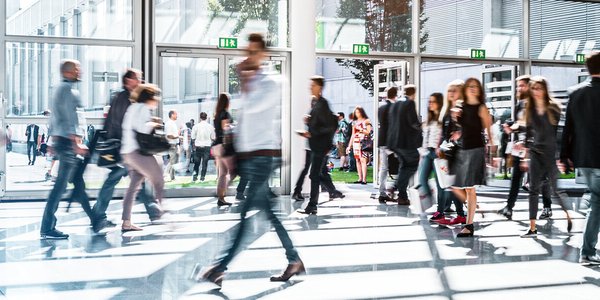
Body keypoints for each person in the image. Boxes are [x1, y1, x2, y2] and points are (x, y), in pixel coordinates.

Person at [194, 33, 303, 286]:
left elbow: (255, 107)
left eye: (254, 52)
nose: (249, 57)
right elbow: (245, 120)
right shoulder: (252, 82)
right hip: (251, 157)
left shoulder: (273, 81)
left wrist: (245, 79)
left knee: (244, 214)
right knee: (269, 214)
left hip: (264, 157)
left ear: (263, 54)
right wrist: (234, 155)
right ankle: (294, 259)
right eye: (248, 51)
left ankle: (220, 267)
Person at [92, 69, 164, 233]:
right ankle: (100, 215)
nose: (140, 81)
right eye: (138, 78)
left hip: (123, 148)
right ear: (128, 81)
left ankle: (149, 213)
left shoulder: (124, 98)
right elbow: (126, 125)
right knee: (129, 181)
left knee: (135, 182)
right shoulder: (126, 99)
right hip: (124, 148)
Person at [40, 59, 89, 239]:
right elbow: (70, 119)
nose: (80, 71)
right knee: (59, 187)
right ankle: (47, 228)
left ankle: (96, 217)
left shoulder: (58, 89)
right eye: (77, 69)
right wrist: (76, 143)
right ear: (68, 72)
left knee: (71, 184)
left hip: (61, 141)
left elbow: (54, 119)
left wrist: (53, 140)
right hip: (68, 144)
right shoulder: (68, 90)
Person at [518, 76, 572, 238]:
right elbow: (528, 134)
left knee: (555, 190)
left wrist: (561, 156)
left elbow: (561, 134)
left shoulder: (553, 107)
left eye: (539, 88)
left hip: (550, 153)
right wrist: (524, 155)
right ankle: (532, 226)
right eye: (533, 88)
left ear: (545, 89)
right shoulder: (529, 108)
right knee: (533, 189)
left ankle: (568, 216)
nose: (536, 92)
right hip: (535, 152)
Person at [562, 51, 600, 264]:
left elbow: (568, 127)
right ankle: (587, 250)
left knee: (596, 198)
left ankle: (588, 248)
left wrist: (564, 155)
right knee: (596, 202)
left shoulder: (575, 92)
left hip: (584, 157)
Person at [497, 75, 552, 220]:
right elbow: (519, 123)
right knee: (516, 177)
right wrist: (511, 128)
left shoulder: (539, 105)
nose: (519, 88)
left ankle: (547, 207)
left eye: (522, 85)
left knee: (542, 179)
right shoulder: (520, 104)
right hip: (520, 146)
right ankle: (509, 207)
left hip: (536, 146)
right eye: (518, 86)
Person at [120, 83, 165, 232]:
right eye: (156, 97)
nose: (157, 100)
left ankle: (126, 222)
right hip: (136, 152)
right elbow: (142, 129)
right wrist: (154, 123)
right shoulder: (142, 108)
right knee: (158, 178)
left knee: (133, 186)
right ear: (149, 97)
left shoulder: (132, 107)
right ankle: (165, 213)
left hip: (127, 152)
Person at [451, 78, 493, 237]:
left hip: (476, 149)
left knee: (469, 187)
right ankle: (472, 213)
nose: (473, 89)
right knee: (458, 186)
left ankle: (469, 224)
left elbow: (488, 130)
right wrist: (456, 117)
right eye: (470, 86)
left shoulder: (481, 107)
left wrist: (492, 152)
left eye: (476, 86)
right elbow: (461, 128)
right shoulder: (461, 106)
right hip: (463, 148)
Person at [299, 76, 340, 215]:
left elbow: (328, 126)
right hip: (317, 145)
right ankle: (315, 203)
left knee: (314, 175)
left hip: (320, 146)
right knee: (315, 175)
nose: (310, 87)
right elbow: (320, 124)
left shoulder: (323, 104)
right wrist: (308, 124)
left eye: (313, 85)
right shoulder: (317, 103)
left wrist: (312, 133)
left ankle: (313, 205)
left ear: (319, 87)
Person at [292, 94, 344, 203]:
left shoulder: (314, 114)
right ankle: (330, 191)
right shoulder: (313, 115)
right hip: (314, 148)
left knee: (320, 171)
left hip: (314, 147)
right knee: (316, 171)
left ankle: (331, 191)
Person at [433, 80, 467, 226]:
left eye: (455, 90)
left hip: (460, 153)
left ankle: (458, 212)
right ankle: (456, 213)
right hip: (447, 152)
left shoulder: (464, 110)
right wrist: (438, 146)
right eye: (449, 91)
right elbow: (442, 132)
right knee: (446, 183)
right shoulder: (446, 111)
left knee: (453, 185)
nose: (451, 94)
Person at [386, 84, 422, 206]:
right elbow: (413, 122)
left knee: (405, 166)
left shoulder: (395, 104)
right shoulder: (410, 103)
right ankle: (395, 186)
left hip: (394, 142)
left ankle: (402, 197)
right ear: (414, 93)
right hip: (405, 142)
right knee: (413, 163)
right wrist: (421, 126)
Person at [419, 93, 444, 213]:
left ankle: (442, 208)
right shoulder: (428, 120)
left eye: (433, 101)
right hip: (428, 152)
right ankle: (431, 200)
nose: (430, 104)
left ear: (439, 103)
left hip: (438, 153)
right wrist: (422, 153)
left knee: (441, 183)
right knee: (422, 179)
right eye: (429, 102)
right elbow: (425, 138)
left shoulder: (442, 119)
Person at [212, 93, 235, 207]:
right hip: (223, 145)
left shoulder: (216, 114)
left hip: (216, 146)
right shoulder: (225, 113)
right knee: (233, 171)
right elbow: (225, 128)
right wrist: (233, 127)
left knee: (222, 174)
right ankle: (222, 195)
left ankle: (221, 198)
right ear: (227, 102)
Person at [377, 87, 398, 203]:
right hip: (391, 142)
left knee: (384, 168)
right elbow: (393, 126)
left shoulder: (381, 107)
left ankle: (382, 192)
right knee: (403, 165)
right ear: (396, 95)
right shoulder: (393, 107)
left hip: (382, 141)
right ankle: (394, 188)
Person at [349, 106, 372, 184]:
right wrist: (349, 145)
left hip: (363, 142)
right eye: (356, 112)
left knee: (363, 160)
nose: (357, 114)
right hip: (356, 142)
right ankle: (360, 178)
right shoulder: (354, 122)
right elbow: (352, 134)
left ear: (362, 112)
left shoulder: (367, 120)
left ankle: (364, 179)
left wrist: (361, 129)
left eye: (358, 112)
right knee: (357, 160)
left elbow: (369, 132)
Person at [191, 112, 215, 182]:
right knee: (205, 163)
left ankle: (195, 177)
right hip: (207, 146)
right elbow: (213, 137)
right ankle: (202, 178)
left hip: (198, 147)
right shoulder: (210, 127)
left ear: (200, 117)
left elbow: (193, 137)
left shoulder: (195, 126)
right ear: (206, 117)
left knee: (196, 163)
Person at [164, 110, 179, 181]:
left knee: (173, 161)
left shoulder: (172, 123)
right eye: (176, 114)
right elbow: (169, 135)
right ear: (172, 115)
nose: (177, 116)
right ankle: (170, 176)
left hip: (174, 144)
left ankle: (168, 175)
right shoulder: (169, 123)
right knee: (173, 161)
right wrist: (178, 137)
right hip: (171, 144)